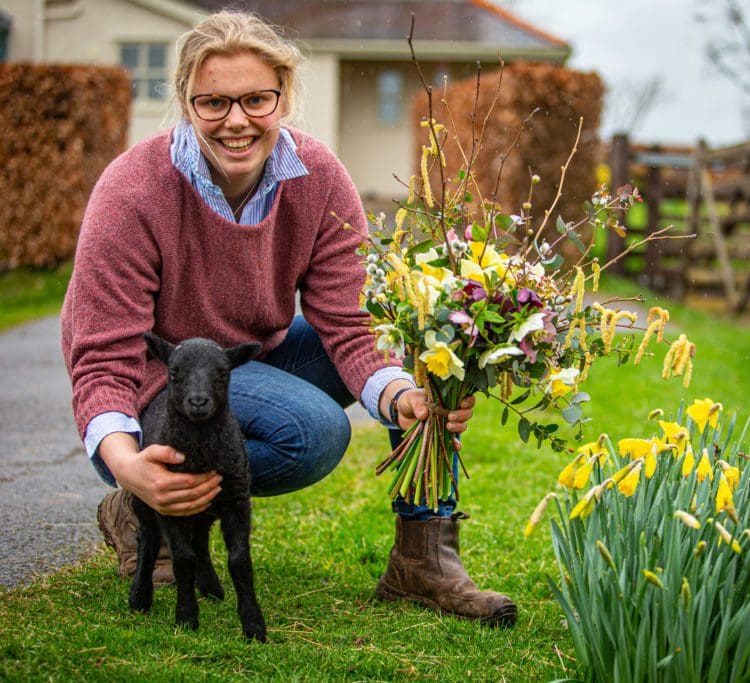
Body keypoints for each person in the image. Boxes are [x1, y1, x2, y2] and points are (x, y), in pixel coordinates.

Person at [61, 10, 516, 628]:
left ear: (284, 95)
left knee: (415, 354)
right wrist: (127, 464)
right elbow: (102, 358)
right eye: (213, 102)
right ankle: (147, 506)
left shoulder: (317, 177)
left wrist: (402, 395)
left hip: (252, 354)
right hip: (160, 387)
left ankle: (423, 559)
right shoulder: (134, 190)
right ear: (186, 102)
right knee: (314, 432)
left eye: (256, 99)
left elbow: (354, 324)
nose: (237, 120)